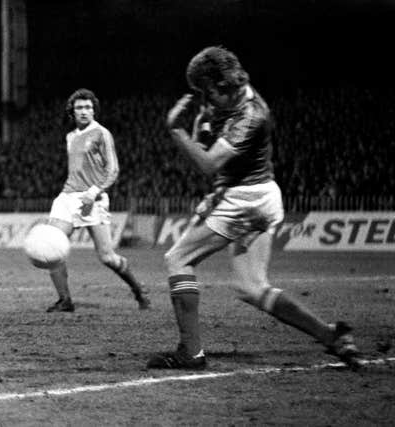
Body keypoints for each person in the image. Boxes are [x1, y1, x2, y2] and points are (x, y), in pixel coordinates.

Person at [147, 46, 360, 370]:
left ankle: (190, 352)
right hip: (261, 196)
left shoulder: (250, 115)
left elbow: (207, 163)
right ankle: (331, 336)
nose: (205, 99)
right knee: (252, 287)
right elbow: (220, 161)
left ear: (221, 85)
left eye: (207, 92)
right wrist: (215, 178)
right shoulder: (232, 96)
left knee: (177, 258)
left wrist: (176, 130)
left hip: (245, 200)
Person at [42, 88, 150, 312]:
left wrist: (94, 191)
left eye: (88, 107)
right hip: (67, 197)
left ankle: (139, 291)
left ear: (94, 110)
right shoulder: (70, 136)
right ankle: (65, 300)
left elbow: (113, 170)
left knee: (107, 257)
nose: (84, 111)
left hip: (94, 198)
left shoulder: (102, 134)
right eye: (79, 107)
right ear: (72, 111)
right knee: (52, 249)